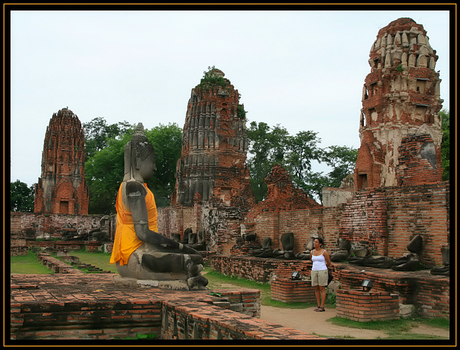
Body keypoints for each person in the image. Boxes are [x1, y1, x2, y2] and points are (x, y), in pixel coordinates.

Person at [110, 123, 207, 289]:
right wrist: (181, 247)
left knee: (192, 259)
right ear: (139, 162)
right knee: (192, 260)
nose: (154, 167)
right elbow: (142, 233)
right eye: (152, 161)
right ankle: (186, 274)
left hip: (135, 256)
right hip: (135, 258)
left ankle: (187, 274)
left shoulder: (131, 186)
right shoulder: (133, 187)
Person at [310, 237, 332, 312]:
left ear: (320, 244)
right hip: (314, 270)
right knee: (316, 288)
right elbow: (312, 261)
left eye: (316, 242)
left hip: (322, 270)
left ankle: (322, 306)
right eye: (314, 242)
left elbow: (328, 262)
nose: (314, 243)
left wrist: (323, 266)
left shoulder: (324, 252)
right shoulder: (312, 252)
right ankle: (318, 305)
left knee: (322, 288)